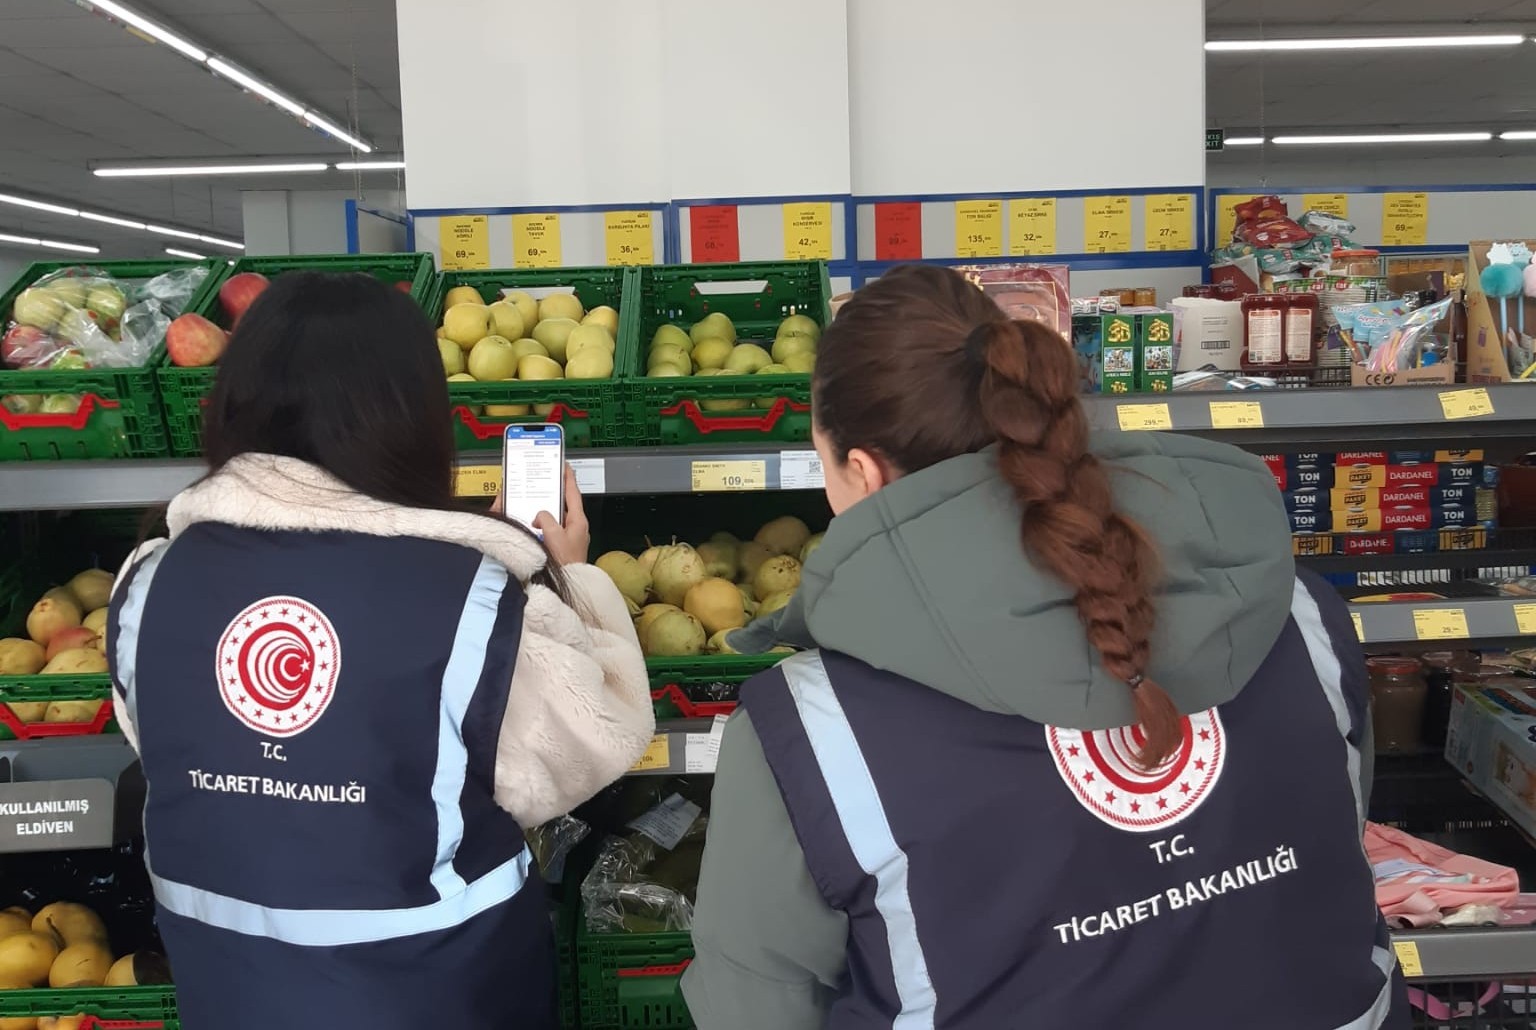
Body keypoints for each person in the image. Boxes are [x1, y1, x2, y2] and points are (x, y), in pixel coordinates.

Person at [682, 264, 1406, 1029]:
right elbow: (1335, 845)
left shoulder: (811, 728)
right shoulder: (1300, 613)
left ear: (860, 472)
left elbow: (753, 1004)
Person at [106, 272, 653, 1029]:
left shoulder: (145, 586)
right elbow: (589, 745)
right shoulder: (467, 597)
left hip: (230, 997)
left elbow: (170, 740)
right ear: (411, 414)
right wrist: (571, 575)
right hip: (442, 995)